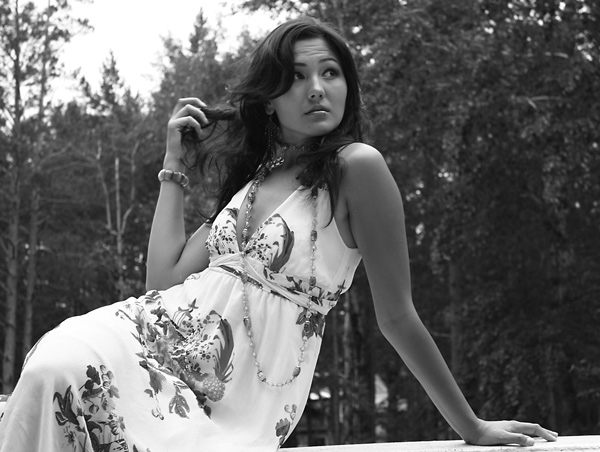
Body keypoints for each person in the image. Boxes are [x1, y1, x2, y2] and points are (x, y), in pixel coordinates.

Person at [0, 16, 557, 452]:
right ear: (269, 98)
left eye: (330, 73)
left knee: (58, 378)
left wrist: (470, 425)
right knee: (51, 371)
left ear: (347, 85)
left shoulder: (358, 168)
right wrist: (174, 168)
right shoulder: (254, 183)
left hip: (238, 400)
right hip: (155, 345)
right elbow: (162, 282)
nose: (316, 89)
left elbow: (397, 317)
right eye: (296, 77)